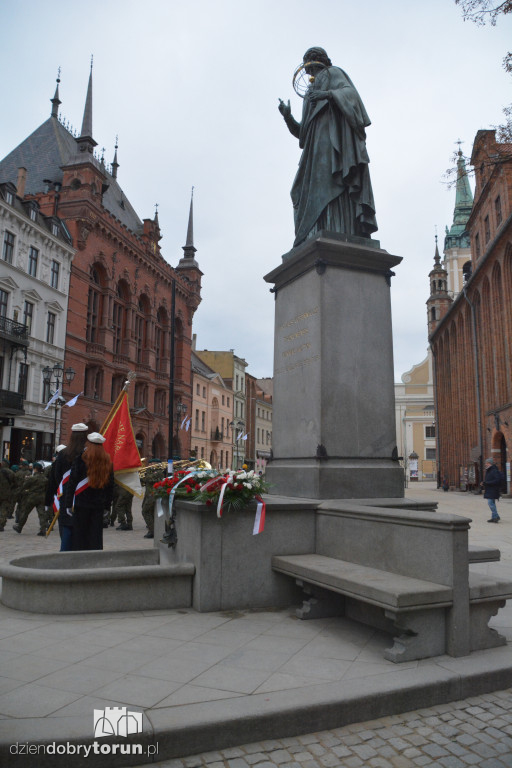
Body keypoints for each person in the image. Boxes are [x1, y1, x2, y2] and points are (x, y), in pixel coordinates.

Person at [278, 47, 377, 248]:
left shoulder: (334, 73)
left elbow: (351, 96)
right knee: (298, 191)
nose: (308, 72)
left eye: (309, 64)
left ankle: (340, 228)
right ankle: (314, 232)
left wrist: (328, 94)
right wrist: (288, 117)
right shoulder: (309, 94)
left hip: (333, 143)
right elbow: (303, 134)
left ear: (317, 61)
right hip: (313, 151)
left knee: (333, 180)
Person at [66, 432, 114, 550]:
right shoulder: (107, 461)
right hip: (98, 504)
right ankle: (95, 556)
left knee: (80, 534)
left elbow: (72, 482)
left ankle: (80, 555)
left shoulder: (80, 459)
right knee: (95, 534)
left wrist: (68, 504)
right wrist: (107, 506)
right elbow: (110, 486)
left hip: (81, 502)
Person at [45, 425, 88, 551]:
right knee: (82, 533)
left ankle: (65, 555)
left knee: (66, 531)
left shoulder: (63, 454)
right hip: (84, 497)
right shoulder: (88, 453)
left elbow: (54, 478)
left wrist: (48, 500)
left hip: (64, 498)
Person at [13, 463, 48, 535]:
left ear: (35, 469)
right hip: (42, 497)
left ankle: (19, 527)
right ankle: (43, 529)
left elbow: (24, 486)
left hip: (32, 497)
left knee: (25, 512)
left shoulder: (32, 478)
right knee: (42, 514)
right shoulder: (45, 479)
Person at [481, 457, 504, 523]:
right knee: (492, 503)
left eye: (487, 463)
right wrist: (484, 483)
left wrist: (486, 483)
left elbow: (497, 480)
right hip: (490, 489)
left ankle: (496, 516)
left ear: (490, 463)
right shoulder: (489, 470)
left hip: (493, 490)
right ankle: (494, 517)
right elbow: (489, 480)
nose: (485, 464)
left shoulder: (494, 470)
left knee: (490, 503)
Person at [0, 459, 15, 531]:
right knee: (4, 509)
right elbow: (15, 483)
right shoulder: (11, 473)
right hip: (6, 494)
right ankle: (1, 524)